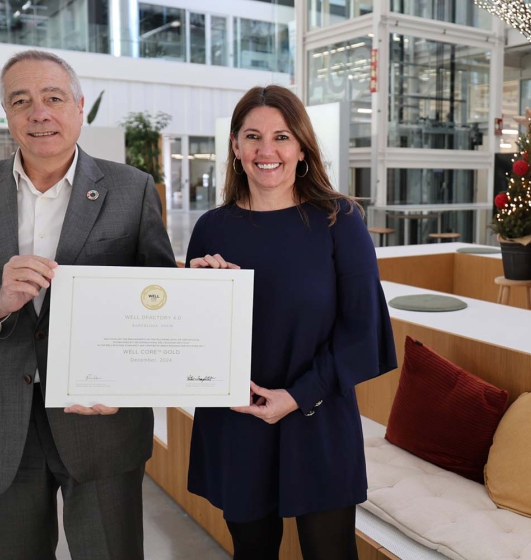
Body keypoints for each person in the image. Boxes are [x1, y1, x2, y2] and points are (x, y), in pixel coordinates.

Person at [0, 50, 176, 560]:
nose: (38, 113)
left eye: (53, 97)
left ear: (79, 106)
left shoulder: (131, 190)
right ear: (6, 113)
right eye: (20, 101)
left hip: (102, 419)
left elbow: (160, 307)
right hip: (1, 419)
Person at [185, 85, 397, 560]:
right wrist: (200, 294)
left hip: (317, 415)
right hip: (237, 420)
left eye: (281, 137)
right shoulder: (211, 229)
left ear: (301, 147)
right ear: (236, 148)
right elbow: (192, 341)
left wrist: (298, 396)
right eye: (253, 136)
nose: (267, 150)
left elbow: (366, 333)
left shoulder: (339, 220)